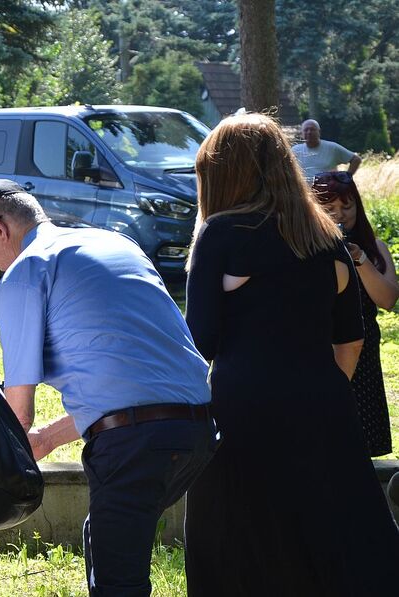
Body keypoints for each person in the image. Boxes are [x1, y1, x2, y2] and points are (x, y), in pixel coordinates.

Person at [0, 180, 218, 597]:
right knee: (103, 542)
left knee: (117, 582)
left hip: (134, 442)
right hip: (198, 431)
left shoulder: (25, 272)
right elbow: (126, 388)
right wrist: (47, 439)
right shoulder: (116, 243)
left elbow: (18, 414)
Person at [185, 113, 399, 596]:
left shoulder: (220, 233)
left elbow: (200, 341)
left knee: (240, 540)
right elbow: (351, 339)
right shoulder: (329, 239)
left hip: (243, 407)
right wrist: (318, 394)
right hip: (325, 402)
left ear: (222, 174)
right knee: (337, 534)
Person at [314, 170, 398, 456]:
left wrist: (359, 257)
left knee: (363, 439)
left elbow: (387, 299)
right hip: (324, 352)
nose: (340, 215)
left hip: (365, 350)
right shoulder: (305, 252)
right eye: (329, 208)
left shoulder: (376, 249)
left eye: (347, 207)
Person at [291, 119, 362, 180]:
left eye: (312, 129)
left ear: (319, 132)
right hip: (303, 191)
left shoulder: (332, 148)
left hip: (329, 190)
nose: (309, 132)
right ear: (302, 133)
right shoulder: (295, 150)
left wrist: (346, 178)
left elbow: (356, 160)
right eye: (306, 130)